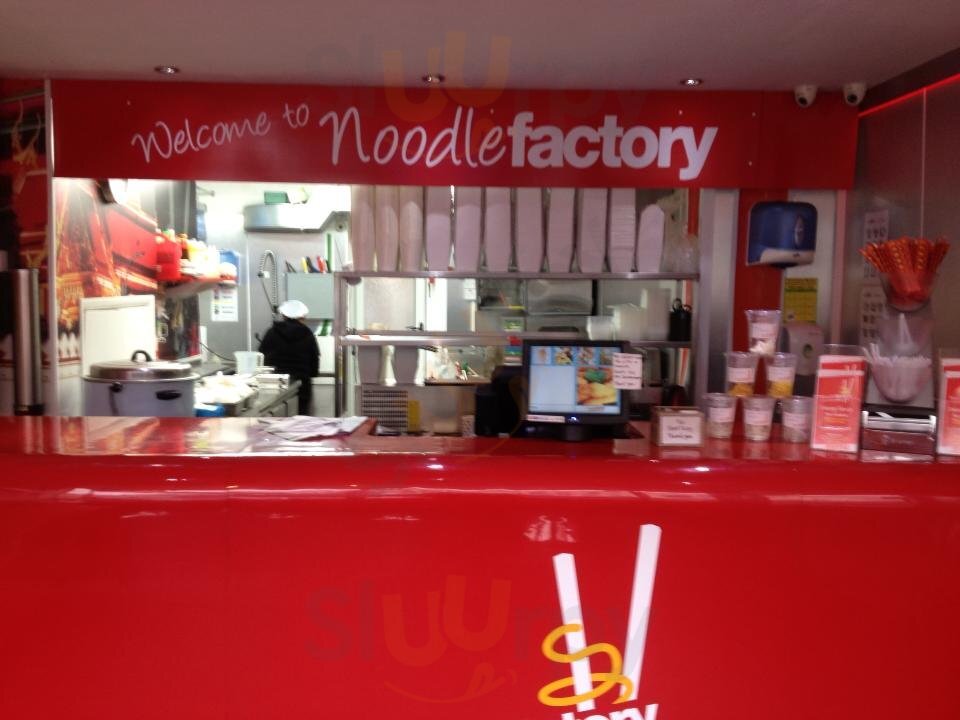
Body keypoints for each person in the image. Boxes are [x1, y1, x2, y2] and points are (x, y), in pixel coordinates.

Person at [258, 300, 319, 415]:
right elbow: (314, 360)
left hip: (274, 383)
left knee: (278, 418)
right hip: (301, 383)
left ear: (284, 315)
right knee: (301, 418)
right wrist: (311, 373)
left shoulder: (271, 332)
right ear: (302, 317)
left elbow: (261, 356)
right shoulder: (307, 333)